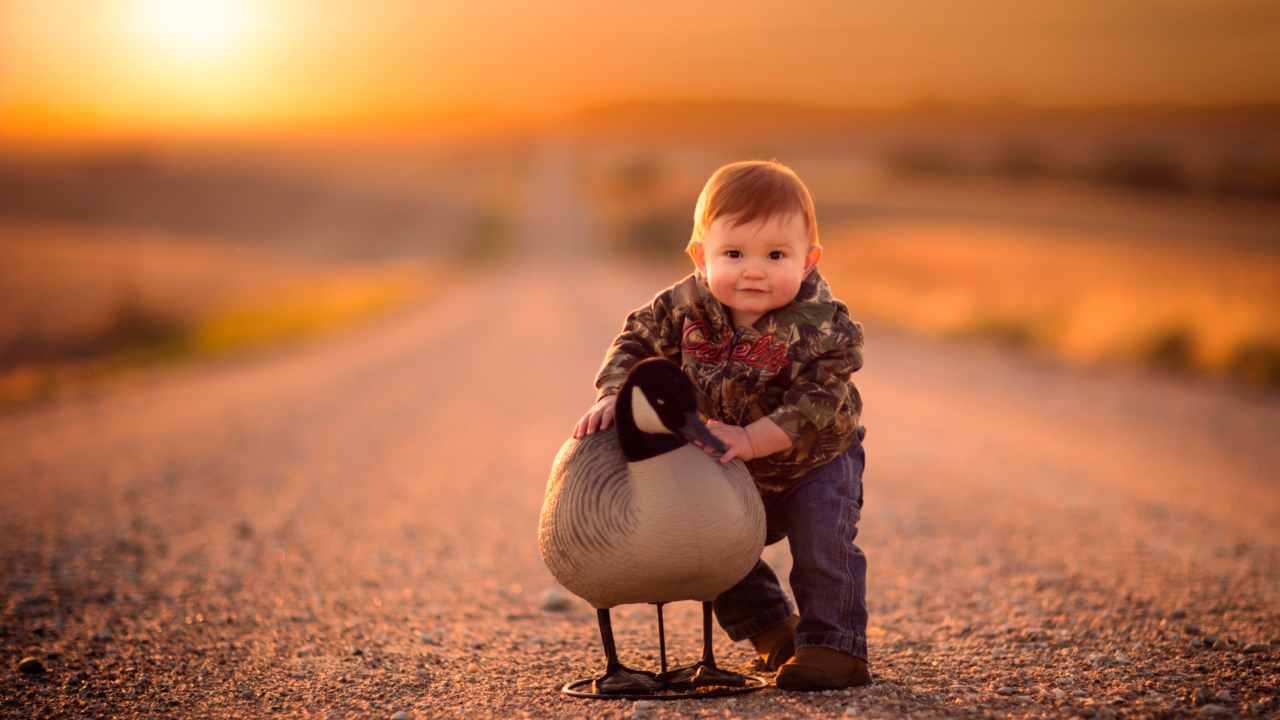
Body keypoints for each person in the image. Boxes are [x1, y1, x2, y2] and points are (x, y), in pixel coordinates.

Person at [572, 159, 870, 691]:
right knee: (711, 546)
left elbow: (820, 398)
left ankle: (835, 645)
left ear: (809, 261)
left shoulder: (822, 323)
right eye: (733, 254)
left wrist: (756, 439)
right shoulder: (684, 305)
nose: (753, 270)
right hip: (728, 457)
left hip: (813, 462)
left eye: (776, 255)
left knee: (822, 545)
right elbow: (636, 342)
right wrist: (615, 391)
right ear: (700, 256)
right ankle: (774, 630)